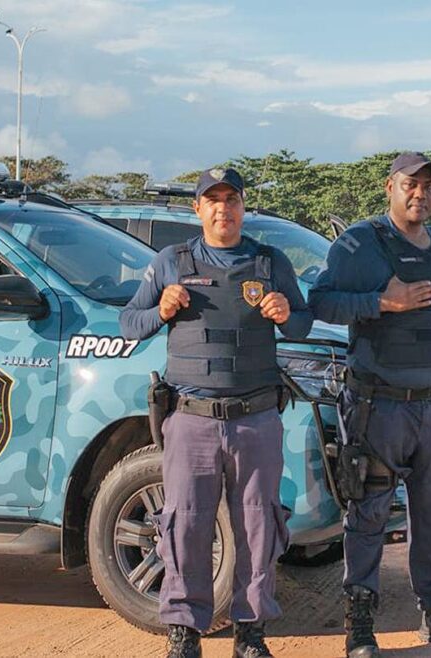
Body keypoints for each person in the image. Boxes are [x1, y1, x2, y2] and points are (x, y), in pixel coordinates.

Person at [120, 167, 313, 658]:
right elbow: (128, 324)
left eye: (231, 199)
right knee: (185, 523)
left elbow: (305, 323)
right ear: (198, 208)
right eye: (213, 199)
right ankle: (184, 632)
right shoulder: (171, 262)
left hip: (256, 417)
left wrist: (288, 315)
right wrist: (160, 310)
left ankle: (249, 633)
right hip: (191, 418)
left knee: (258, 525)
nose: (223, 208)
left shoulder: (269, 263)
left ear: (243, 206)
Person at [309, 153, 431, 656]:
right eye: (412, 184)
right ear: (391, 186)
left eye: (430, 187)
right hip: (380, 406)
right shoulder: (359, 243)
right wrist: (380, 302)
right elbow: (320, 304)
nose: (421, 194)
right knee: (368, 513)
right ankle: (360, 622)